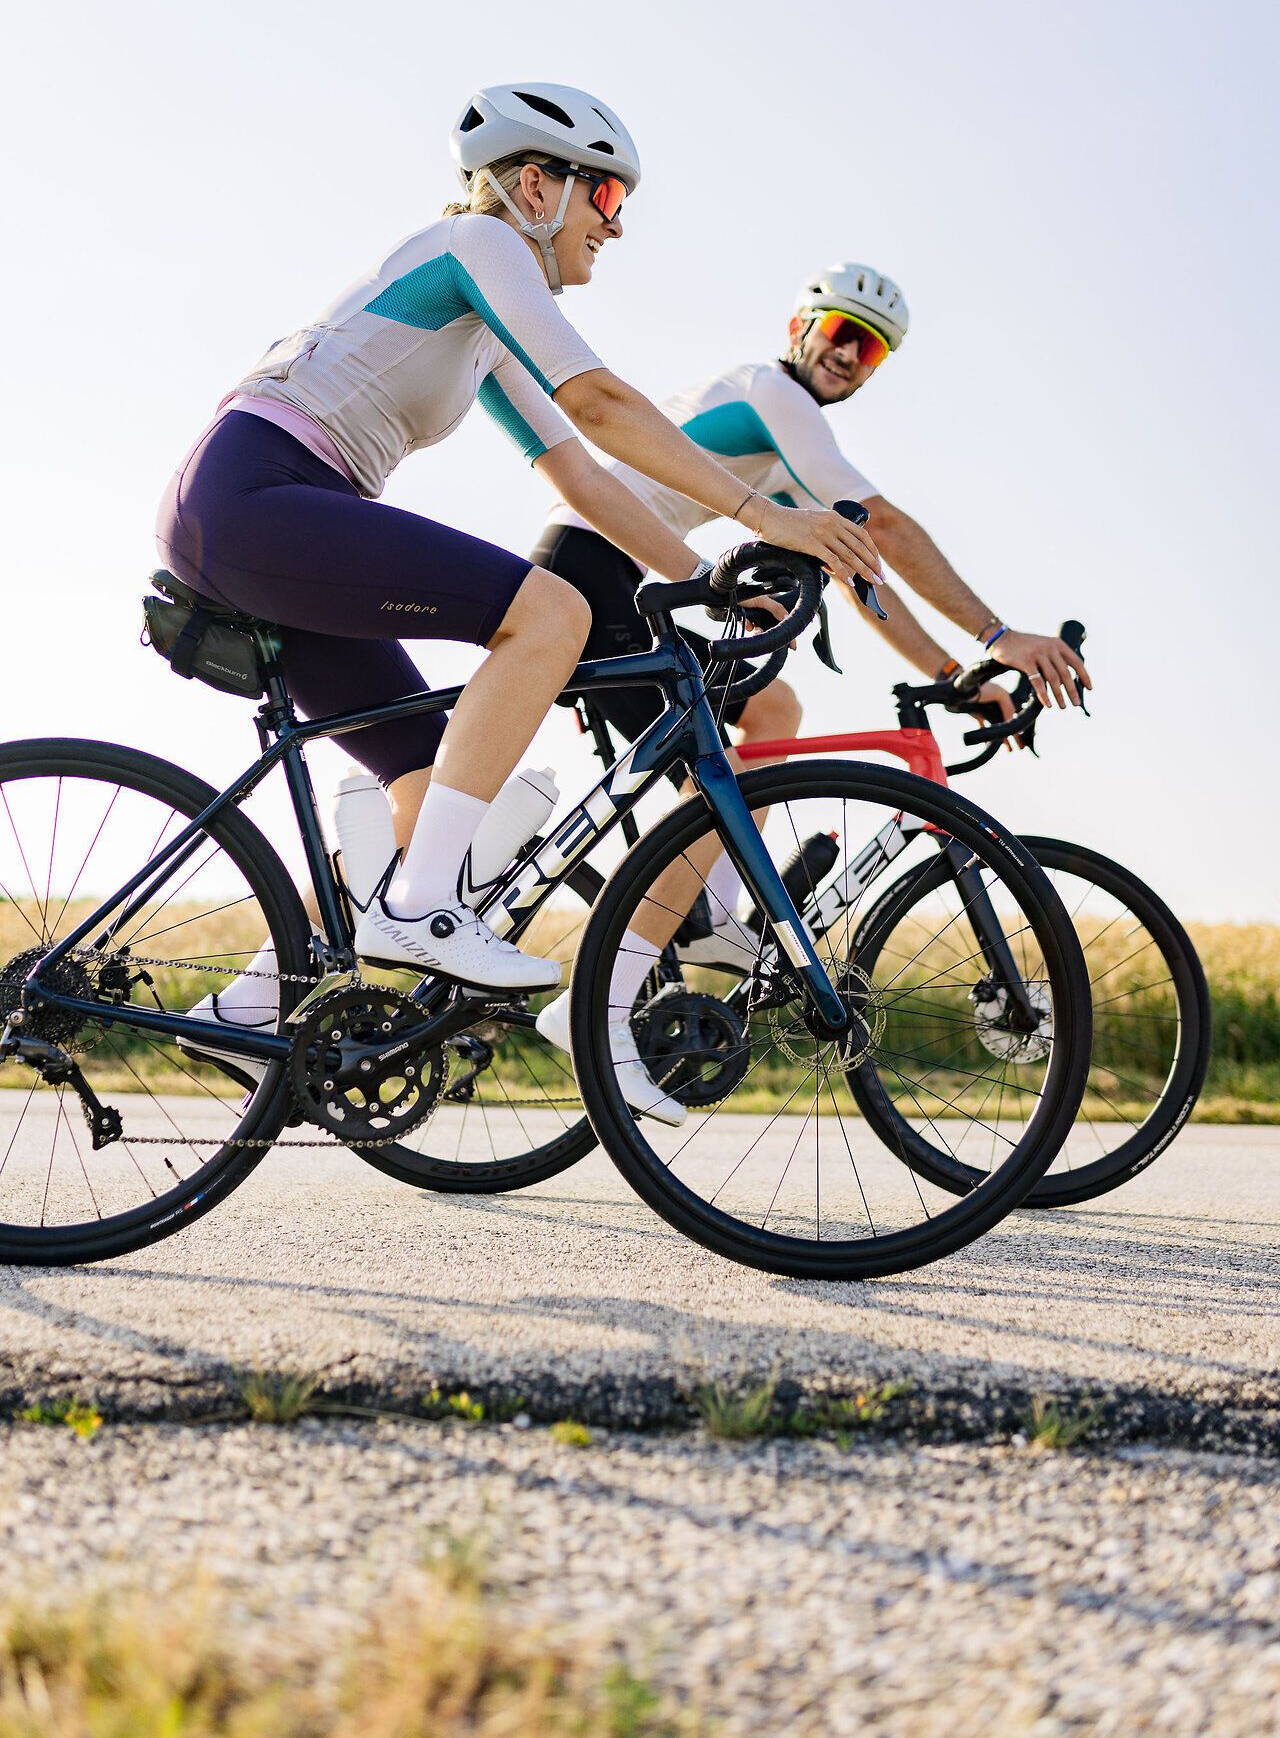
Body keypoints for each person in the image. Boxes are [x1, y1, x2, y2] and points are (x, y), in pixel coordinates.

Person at [156, 86, 882, 1122]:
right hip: (258, 495)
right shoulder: (481, 243)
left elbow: (579, 473)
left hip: (273, 509)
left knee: (432, 782)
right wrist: (765, 518)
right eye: (607, 196)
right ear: (535, 185)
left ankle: (245, 1007)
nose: (614, 226)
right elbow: (601, 402)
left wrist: (703, 574)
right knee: (548, 614)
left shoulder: (482, 315)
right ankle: (421, 912)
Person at [530, 261, 1092, 980]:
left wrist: (955, 674)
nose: (851, 354)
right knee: (722, 772)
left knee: (773, 711)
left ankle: (707, 917)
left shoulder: (787, 455)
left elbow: (861, 574)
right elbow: (884, 526)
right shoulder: (773, 394)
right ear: (800, 328)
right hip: (588, 576)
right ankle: (608, 986)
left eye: (872, 347)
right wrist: (999, 637)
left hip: (607, 577)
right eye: (842, 331)